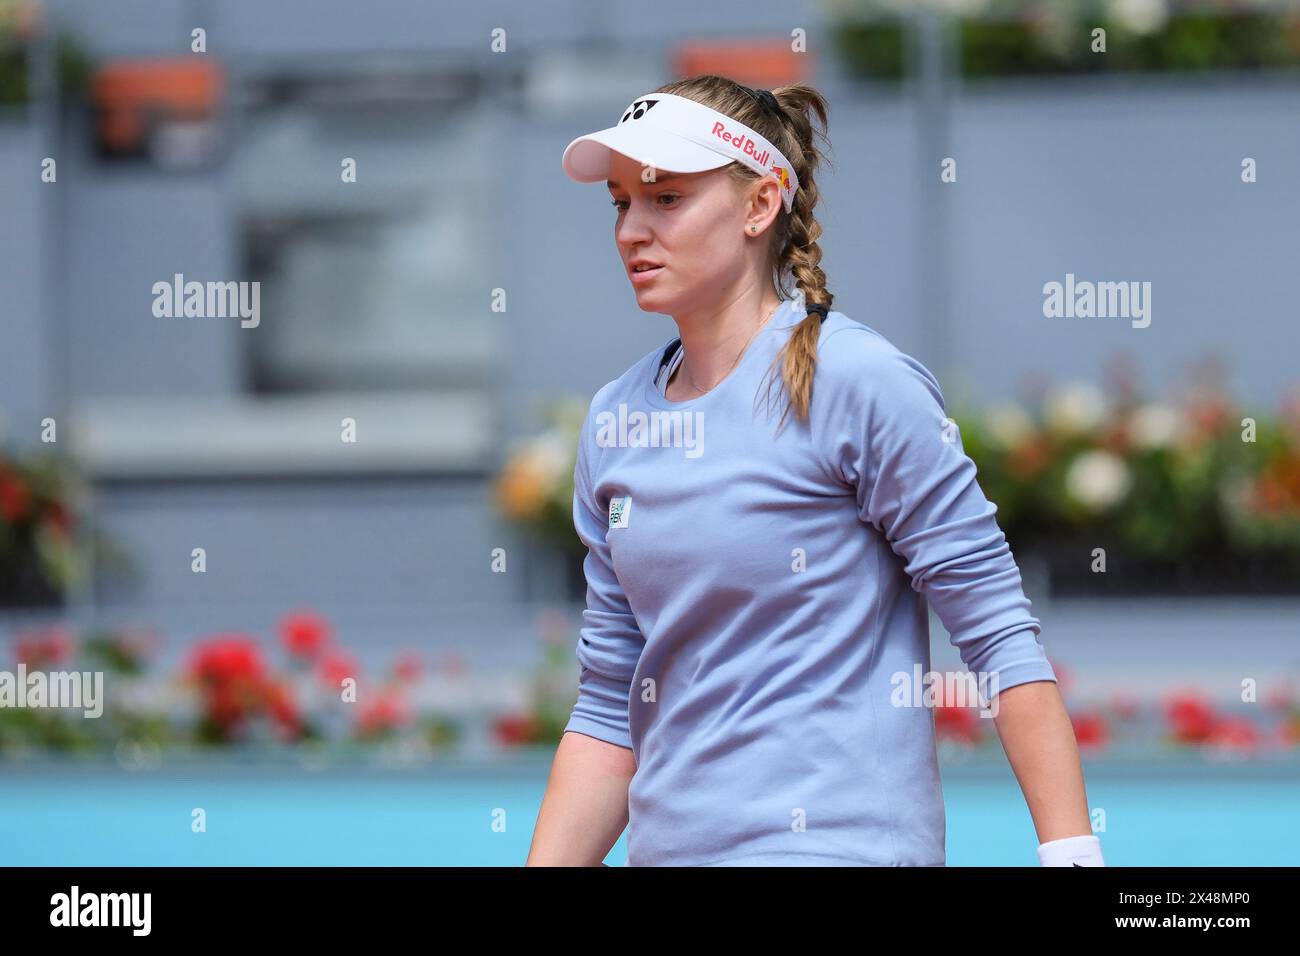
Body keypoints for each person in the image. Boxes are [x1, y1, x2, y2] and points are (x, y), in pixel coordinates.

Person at [526, 75, 1104, 867]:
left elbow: (998, 631)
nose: (632, 230)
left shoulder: (859, 379)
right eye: (622, 203)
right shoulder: (612, 419)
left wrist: (1072, 853)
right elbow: (607, 710)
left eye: (666, 199)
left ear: (760, 205)